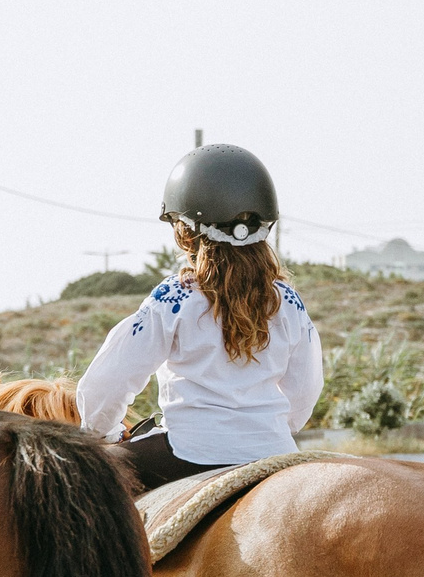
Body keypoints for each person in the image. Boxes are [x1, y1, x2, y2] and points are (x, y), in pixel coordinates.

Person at [76, 143, 322, 490]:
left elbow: (107, 382)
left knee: (83, 484)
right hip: (274, 453)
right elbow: (305, 391)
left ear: (187, 230)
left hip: (190, 453)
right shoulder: (289, 302)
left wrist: (105, 432)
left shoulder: (175, 297)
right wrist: (272, 429)